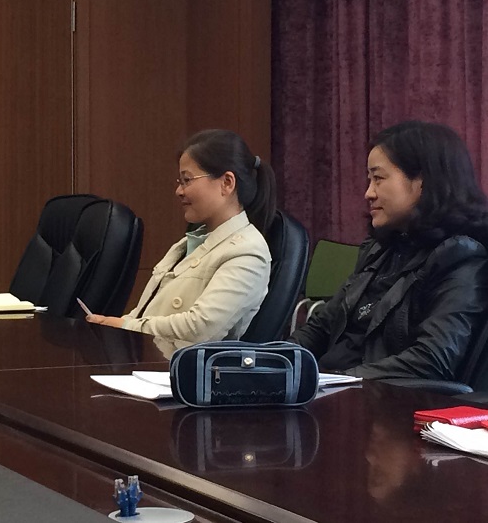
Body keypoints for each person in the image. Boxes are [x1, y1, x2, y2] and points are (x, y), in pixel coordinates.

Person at [289, 120, 488, 381]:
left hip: (378, 399)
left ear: (423, 181)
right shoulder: (380, 249)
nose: (368, 193)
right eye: (369, 180)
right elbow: (321, 328)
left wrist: (338, 380)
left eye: (379, 178)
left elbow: (431, 360)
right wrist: (272, 361)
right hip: (333, 387)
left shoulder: (460, 256)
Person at [86, 129, 276, 349]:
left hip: (186, 368)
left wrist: (125, 326)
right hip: (152, 360)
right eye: (180, 181)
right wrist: (112, 326)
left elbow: (200, 328)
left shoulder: (248, 251)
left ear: (227, 182)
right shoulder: (186, 244)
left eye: (187, 180)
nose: (179, 191)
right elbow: (145, 313)